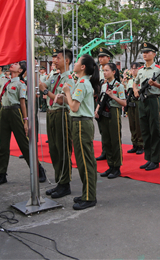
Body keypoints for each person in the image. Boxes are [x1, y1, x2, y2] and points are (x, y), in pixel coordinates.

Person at [0, 61, 46, 187]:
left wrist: (25, 120)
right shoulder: (6, 81)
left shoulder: (21, 84)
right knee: (3, 146)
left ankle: (39, 170)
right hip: (4, 112)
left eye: (16, 64)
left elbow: (22, 103)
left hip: (16, 113)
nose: (12, 65)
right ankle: (2, 174)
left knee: (24, 144)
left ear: (20, 70)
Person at [62, 55, 100, 210]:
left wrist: (67, 92)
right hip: (81, 123)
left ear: (83, 67)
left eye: (78, 62)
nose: (75, 64)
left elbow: (74, 107)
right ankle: (87, 193)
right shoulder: (83, 82)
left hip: (81, 124)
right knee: (83, 160)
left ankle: (90, 196)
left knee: (85, 161)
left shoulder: (82, 83)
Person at [39, 49, 75, 199]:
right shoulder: (54, 76)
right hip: (51, 114)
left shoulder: (70, 79)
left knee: (63, 149)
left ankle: (65, 183)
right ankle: (59, 181)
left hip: (62, 115)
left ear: (66, 61)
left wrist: (46, 91)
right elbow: (41, 85)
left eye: (58, 58)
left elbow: (64, 100)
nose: (54, 60)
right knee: (53, 149)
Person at [133, 42, 160, 171]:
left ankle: (155, 159)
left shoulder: (159, 70)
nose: (145, 54)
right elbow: (135, 83)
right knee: (145, 130)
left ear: (153, 54)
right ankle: (148, 158)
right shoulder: (141, 70)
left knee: (154, 130)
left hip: (154, 101)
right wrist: (136, 90)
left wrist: (155, 85)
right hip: (142, 101)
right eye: (143, 52)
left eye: (147, 52)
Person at [96, 63, 127, 179]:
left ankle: (117, 167)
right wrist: (97, 109)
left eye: (107, 70)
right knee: (106, 139)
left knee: (115, 140)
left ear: (114, 72)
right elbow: (101, 100)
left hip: (114, 112)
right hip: (104, 112)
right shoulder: (104, 86)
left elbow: (124, 103)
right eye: (103, 70)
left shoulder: (118, 86)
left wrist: (113, 96)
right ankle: (110, 165)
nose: (104, 72)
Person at [95, 47, 113, 161]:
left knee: (110, 128)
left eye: (103, 57)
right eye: (99, 57)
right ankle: (105, 151)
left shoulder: (112, 70)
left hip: (109, 102)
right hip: (99, 100)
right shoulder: (97, 71)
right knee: (102, 127)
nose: (100, 59)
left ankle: (111, 152)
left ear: (108, 58)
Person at [125, 62, 144, 154]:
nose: (133, 70)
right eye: (132, 68)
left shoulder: (141, 80)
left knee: (139, 125)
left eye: (135, 68)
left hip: (138, 103)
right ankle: (134, 143)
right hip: (131, 104)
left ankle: (141, 144)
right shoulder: (130, 81)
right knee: (132, 124)